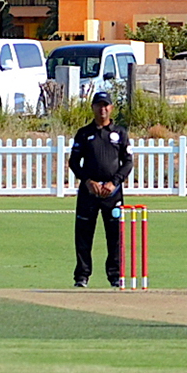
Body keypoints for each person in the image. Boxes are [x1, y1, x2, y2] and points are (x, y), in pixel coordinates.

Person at [69, 92, 133, 288]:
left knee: (114, 236)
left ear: (111, 108)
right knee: (83, 235)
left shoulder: (120, 133)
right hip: (89, 192)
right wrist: (88, 181)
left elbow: (128, 163)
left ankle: (114, 275)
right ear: (93, 108)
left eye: (106, 105)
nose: (102, 109)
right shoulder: (84, 133)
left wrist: (114, 182)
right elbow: (73, 162)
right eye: (99, 105)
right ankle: (82, 276)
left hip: (111, 193)